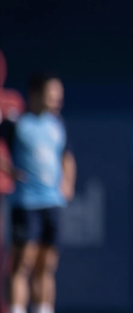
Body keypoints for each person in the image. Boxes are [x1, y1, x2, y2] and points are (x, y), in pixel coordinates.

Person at [0, 74, 76, 313]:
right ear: (35, 95)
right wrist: (8, 169)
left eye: (59, 94)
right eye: (51, 93)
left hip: (50, 204)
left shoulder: (57, 125)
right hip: (25, 204)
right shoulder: (17, 125)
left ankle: (44, 309)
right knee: (23, 263)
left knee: (47, 265)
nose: (57, 100)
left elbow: (67, 157)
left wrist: (67, 184)